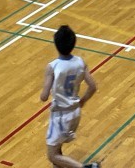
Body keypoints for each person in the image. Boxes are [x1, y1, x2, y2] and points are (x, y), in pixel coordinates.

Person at [40, 25, 99, 168]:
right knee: (57, 150)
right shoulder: (80, 62)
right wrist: (83, 101)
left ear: (56, 43)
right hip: (75, 112)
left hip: (60, 115)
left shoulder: (53, 66)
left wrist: (46, 87)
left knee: (52, 155)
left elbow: (44, 96)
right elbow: (92, 86)